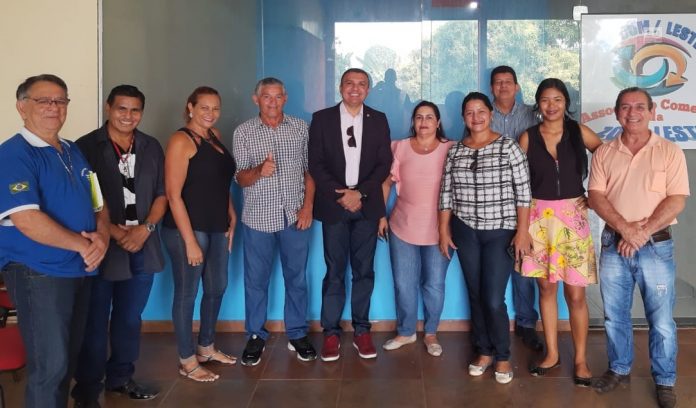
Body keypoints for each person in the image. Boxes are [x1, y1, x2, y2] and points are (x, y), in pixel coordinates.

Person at [0, 74, 109, 408]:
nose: (53, 107)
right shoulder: (13, 154)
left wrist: (103, 237)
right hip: (39, 272)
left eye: (60, 100)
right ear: (22, 107)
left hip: (79, 269)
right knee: (50, 368)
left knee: (66, 364)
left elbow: (98, 201)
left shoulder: (73, 150)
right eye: (43, 100)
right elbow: (27, 220)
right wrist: (85, 246)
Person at [588, 88, 689, 408]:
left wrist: (640, 233)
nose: (632, 113)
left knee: (662, 320)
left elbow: (676, 200)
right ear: (616, 112)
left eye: (639, 107)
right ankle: (619, 368)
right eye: (625, 107)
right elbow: (596, 197)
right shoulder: (604, 152)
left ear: (652, 111)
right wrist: (626, 230)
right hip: (613, 245)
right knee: (614, 315)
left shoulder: (669, 151)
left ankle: (665, 379)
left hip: (656, 246)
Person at [70, 85, 167, 407]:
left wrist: (145, 230)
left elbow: (162, 193)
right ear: (108, 108)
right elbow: (82, 199)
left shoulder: (151, 146)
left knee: (129, 318)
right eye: (121, 108)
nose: (128, 116)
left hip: (143, 245)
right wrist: (114, 232)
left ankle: (121, 378)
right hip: (103, 246)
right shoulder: (85, 147)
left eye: (135, 110)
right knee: (95, 321)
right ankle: (87, 388)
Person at [439, 92, 531, 384]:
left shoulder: (508, 147)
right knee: (475, 294)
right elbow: (446, 194)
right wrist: (443, 230)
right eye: (469, 112)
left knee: (492, 298)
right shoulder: (456, 151)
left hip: (500, 232)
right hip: (465, 231)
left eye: (481, 111)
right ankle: (484, 350)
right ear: (463, 117)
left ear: (490, 114)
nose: (475, 117)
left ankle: (502, 355)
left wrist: (522, 232)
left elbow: (523, 193)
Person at [517, 78, 602, 386]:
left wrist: (595, 196)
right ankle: (552, 353)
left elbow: (607, 158)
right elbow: (517, 182)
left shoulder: (579, 132)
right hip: (537, 220)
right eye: (545, 100)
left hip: (572, 219)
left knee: (576, 295)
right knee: (546, 290)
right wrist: (521, 227)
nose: (551, 106)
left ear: (566, 102)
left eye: (557, 100)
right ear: (537, 104)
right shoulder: (527, 137)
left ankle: (580, 359)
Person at [308, 68, 392, 361]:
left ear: (368, 90)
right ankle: (331, 332)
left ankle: (361, 330)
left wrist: (361, 194)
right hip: (335, 206)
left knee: (364, 271)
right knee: (334, 271)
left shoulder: (378, 119)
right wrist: (342, 195)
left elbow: (384, 163)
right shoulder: (322, 119)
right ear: (340, 87)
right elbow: (316, 163)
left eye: (361, 84)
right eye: (349, 83)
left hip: (367, 206)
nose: (355, 88)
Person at [232, 77, 316, 366]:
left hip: (295, 216)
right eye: (266, 97)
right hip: (257, 218)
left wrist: (308, 208)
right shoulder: (243, 132)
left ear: (285, 98)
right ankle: (256, 335)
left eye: (278, 96)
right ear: (256, 99)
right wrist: (260, 170)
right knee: (256, 281)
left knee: (297, 278)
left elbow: (310, 172)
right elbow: (240, 178)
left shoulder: (300, 128)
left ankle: (297, 333)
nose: (272, 102)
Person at [162, 86, 237, 382]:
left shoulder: (214, 136)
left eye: (215, 108)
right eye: (204, 107)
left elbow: (220, 182)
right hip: (188, 229)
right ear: (190, 107)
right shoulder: (181, 140)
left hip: (217, 226)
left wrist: (231, 213)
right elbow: (173, 194)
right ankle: (187, 360)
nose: (210, 113)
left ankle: (206, 347)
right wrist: (190, 241)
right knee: (187, 293)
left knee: (217, 286)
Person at [379, 101, 453, 356]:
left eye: (429, 117)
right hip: (403, 226)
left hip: (440, 230)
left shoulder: (451, 148)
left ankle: (431, 333)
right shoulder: (399, 147)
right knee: (404, 283)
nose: (424, 122)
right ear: (413, 121)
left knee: (434, 284)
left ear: (438, 122)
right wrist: (380, 216)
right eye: (419, 117)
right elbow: (386, 184)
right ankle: (406, 331)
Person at [489, 65, 543, 351]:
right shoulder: (483, 114)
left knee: (523, 264)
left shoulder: (533, 115)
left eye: (508, 82)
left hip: (527, 198)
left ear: (517, 86)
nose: (503, 86)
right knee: (495, 265)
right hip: (493, 201)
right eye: (498, 82)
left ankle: (526, 323)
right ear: (491, 88)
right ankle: (492, 322)